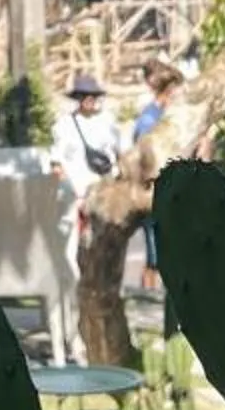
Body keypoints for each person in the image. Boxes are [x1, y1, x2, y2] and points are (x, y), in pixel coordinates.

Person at [128, 60, 182, 287]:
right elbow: (143, 150)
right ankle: (149, 291)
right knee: (155, 252)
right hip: (155, 189)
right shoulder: (151, 118)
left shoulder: (170, 116)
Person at [51, 73, 122, 212]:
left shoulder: (107, 120)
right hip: (77, 194)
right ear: (78, 97)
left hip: (104, 189)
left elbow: (119, 153)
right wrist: (70, 192)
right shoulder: (64, 124)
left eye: (92, 95)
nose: (89, 98)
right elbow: (56, 163)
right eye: (84, 95)